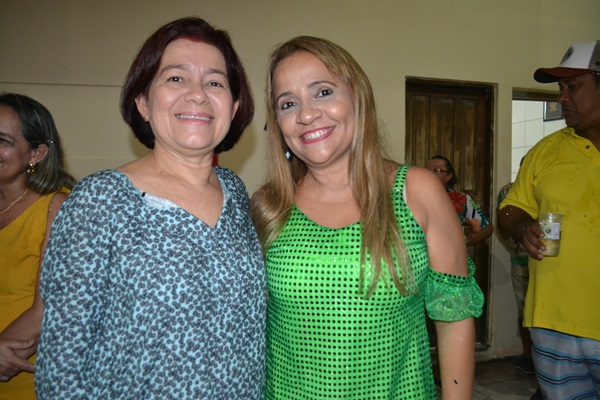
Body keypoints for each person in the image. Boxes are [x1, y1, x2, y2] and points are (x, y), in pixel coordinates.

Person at [34, 17, 266, 399]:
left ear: (235, 105)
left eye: (215, 82)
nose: (197, 94)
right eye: (176, 78)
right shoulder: (100, 201)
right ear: (143, 102)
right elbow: (61, 368)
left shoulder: (235, 193)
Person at [250, 36, 483, 400]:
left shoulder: (416, 191)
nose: (306, 114)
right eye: (288, 103)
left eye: (323, 92)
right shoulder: (269, 206)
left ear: (357, 97)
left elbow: (453, 319)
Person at [498, 40, 600, 400]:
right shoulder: (546, 151)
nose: (561, 97)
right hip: (552, 324)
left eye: (573, 87)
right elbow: (510, 209)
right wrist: (522, 226)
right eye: (560, 88)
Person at [0, 92, 75, 399]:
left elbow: (48, 309)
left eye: (2, 140)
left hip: (22, 373)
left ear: (37, 153)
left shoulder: (57, 208)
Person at [496, 175, 534, 376]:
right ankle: (534, 359)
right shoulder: (509, 190)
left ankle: (530, 357)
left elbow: (502, 228)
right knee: (532, 312)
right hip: (543, 261)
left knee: (526, 311)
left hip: (523, 259)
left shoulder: (507, 191)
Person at [427, 155, 494, 247]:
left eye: (436, 170)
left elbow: (487, 228)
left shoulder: (461, 199)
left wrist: (460, 243)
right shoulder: (412, 197)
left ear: (449, 176)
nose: (430, 174)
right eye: (427, 170)